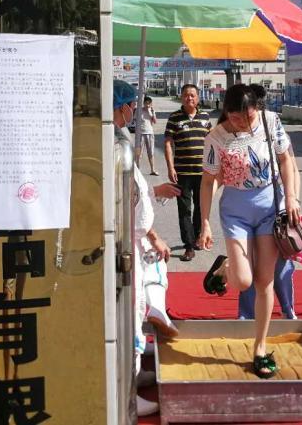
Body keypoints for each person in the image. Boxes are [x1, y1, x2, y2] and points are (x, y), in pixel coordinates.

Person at [197, 84, 300, 379]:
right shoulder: (215, 138)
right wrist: (204, 222)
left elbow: (285, 160)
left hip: (268, 207)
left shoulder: (270, 121)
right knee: (243, 281)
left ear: (257, 108)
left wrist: (291, 197)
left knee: (264, 281)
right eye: (237, 117)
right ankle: (226, 267)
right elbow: (207, 182)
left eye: (248, 116)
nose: (243, 122)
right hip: (236, 210)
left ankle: (260, 347)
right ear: (226, 112)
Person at [113, 80, 181, 417]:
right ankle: (126, 394)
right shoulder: (111, 144)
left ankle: (135, 375)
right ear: (120, 106)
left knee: (139, 304)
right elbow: (129, 205)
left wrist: (156, 190)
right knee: (133, 311)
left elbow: (136, 194)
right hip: (127, 240)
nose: (133, 111)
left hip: (135, 238)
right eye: (129, 105)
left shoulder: (119, 140)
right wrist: (153, 234)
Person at [226, 85, 299, 320]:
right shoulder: (234, 134)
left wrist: (292, 199)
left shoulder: (273, 127)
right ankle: (246, 316)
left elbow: (291, 167)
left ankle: (288, 310)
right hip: (248, 210)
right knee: (252, 268)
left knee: (281, 269)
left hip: (276, 209)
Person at [164, 84, 212, 261]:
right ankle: (189, 246)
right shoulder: (174, 118)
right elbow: (168, 143)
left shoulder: (205, 117)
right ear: (181, 97)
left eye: (192, 95)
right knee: (184, 210)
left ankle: (199, 237)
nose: (189, 98)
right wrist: (170, 167)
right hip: (182, 173)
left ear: (198, 98)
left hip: (203, 173)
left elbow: (212, 141)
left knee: (201, 208)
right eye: (186, 95)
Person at [135, 96, 159, 175]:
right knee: (139, 153)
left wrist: (151, 114)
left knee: (151, 152)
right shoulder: (139, 110)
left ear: (151, 104)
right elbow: (135, 120)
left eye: (149, 103)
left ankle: (152, 170)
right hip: (141, 133)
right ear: (143, 103)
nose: (147, 105)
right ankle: (138, 170)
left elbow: (155, 121)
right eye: (146, 103)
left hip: (149, 133)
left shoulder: (152, 110)